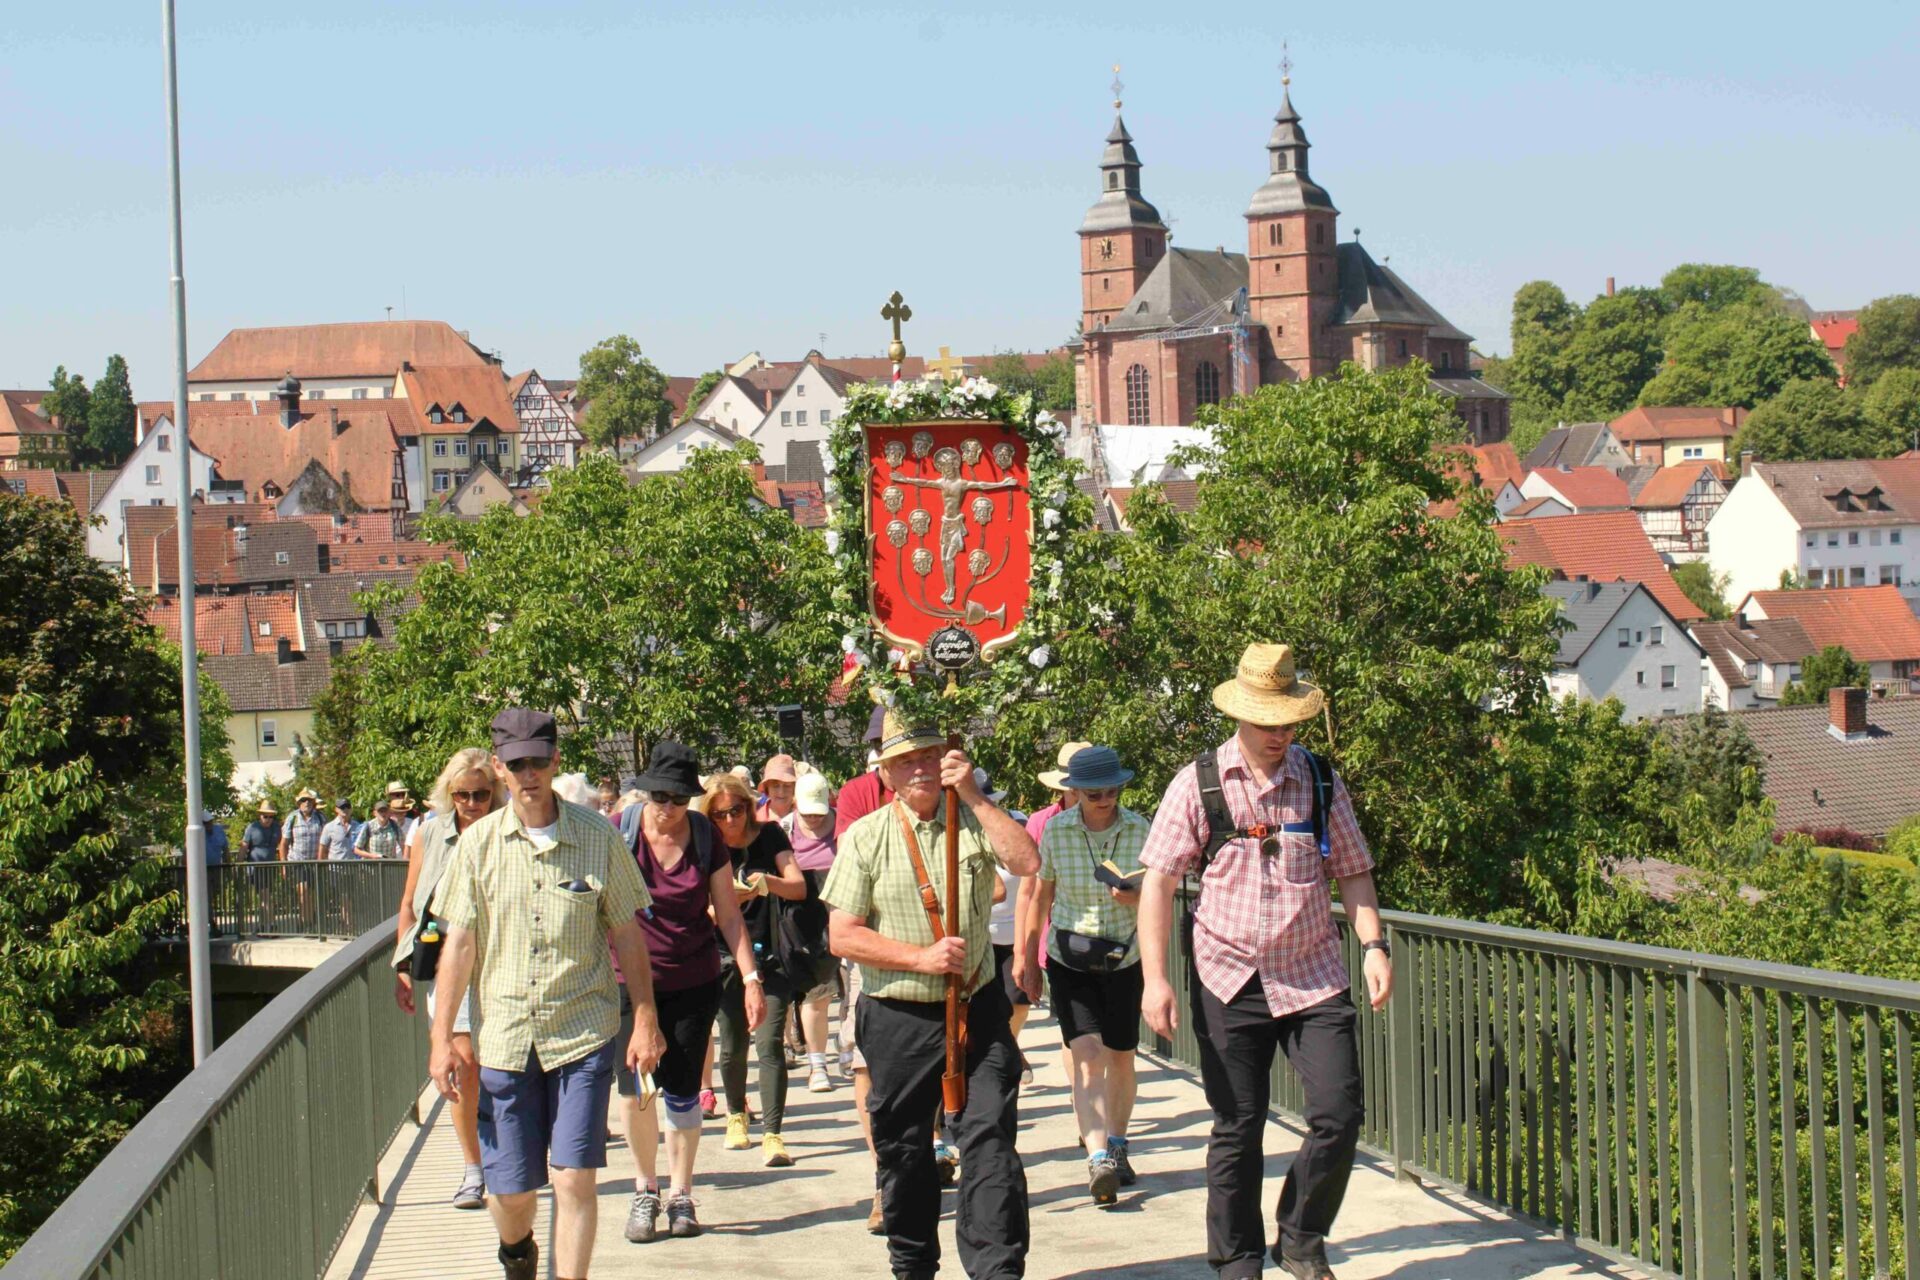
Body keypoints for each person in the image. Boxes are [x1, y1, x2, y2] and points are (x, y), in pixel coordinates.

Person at [1137, 644, 1392, 1280]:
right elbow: (1159, 883)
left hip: (1312, 974)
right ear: (1240, 718)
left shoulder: (1321, 780)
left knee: (1339, 1114)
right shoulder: (1197, 783)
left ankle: (1302, 1236)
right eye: (1266, 723)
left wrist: (1374, 946)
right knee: (1238, 1126)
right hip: (1228, 976)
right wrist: (1156, 979)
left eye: (1287, 723)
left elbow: (1354, 873)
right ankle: (1238, 1259)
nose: (1279, 735)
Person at [429, 708, 665, 1280]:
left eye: (538, 761)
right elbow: (457, 947)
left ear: (556, 761)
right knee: (510, 1196)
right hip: (506, 1038)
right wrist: (442, 1038)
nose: (528, 774)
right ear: (500, 770)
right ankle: (518, 1252)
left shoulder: (597, 836)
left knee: (573, 1177)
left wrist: (644, 1017)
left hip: (581, 1032)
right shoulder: (477, 845)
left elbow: (627, 933)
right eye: (516, 765)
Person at [823, 711, 1040, 1280]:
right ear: (887, 773)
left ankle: (997, 1269)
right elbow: (842, 934)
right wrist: (919, 957)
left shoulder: (972, 819)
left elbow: (1026, 862)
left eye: (927, 756)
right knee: (905, 1148)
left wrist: (974, 795)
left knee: (990, 1139)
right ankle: (913, 1265)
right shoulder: (866, 837)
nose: (918, 769)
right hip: (898, 1014)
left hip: (979, 1007)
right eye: (905, 761)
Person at [616, 742, 767, 1244]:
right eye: (659, 794)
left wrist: (749, 978)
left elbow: (728, 914)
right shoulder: (620, 830)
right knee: (637, 1088)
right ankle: (644, 1188)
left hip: (693, 978)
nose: (666, 806)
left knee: (682, 1090)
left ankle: (681, 1193)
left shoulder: (705, 836)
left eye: (678, 798)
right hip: (628, 981)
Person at [1016, 746, 1150, 1204]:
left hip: (1124, 957)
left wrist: (1136, 897)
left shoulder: (1140, 828)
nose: (1105, 798)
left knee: (1121, 1056)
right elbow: (1040, 897)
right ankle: (1097, 1159)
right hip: (1070, 956)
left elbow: (1157, 894)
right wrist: (1027, 958)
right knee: (1088, 1053)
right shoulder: (1055, 831)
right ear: (1075, 791)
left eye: (1112, 789)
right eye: (1094, 792)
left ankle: (1117, 1142)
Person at [395, 747, 503, 1210]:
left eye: (481, 794)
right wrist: (401, 965)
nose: (472, 803)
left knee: (503, 1063)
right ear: (450, 794)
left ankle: (510, 1156)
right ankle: (473, 1169)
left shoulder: (509, 827)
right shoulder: (430, 833)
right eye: (463, 795)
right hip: (449, 959)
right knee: (461, 1061)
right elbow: (409, 903)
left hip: (503, 958)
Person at [706, 771, 809, 1167]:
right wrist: (726, 904)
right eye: (720, 814)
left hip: (773, 957)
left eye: (736, 810)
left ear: (749, 807)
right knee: (732, 1046)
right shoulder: (708, 845)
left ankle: (773, 1133)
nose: (730, 820)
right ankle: (735, 1114)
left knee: (769, 1045)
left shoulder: (769, 837)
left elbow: (798, 886)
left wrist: (766, 883)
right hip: (724, 958)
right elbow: (701, 911)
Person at [788, 770, 840, 1093]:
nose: (813, 819)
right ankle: (817, 1063)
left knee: (840, 995)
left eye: (818, 813)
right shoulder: (784, 829)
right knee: (815, 993)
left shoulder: (844, 825)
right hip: (801, 917)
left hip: (840, 907)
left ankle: (845, 1045)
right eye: (807, 813)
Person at [834, 705, 894, 838]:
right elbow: (847, 853)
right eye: (878, 743)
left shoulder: (934, 785)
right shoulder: (855, 792)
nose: (885, 750)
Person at [758, 753, 798, 824]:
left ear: (794, 787)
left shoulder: (806, 817)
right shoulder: (755, 821)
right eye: (775, 786)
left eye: (787, 785)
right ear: (767, 789)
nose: (781, 792)